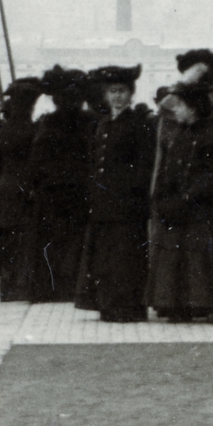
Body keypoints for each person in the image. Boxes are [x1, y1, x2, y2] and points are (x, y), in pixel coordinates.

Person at [76, 64, 155, 322]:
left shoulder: (138, 124)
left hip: (126, 204)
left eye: (122, 91)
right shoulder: (103, 124)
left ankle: (128, 307)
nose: (117, 96)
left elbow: (144, 165)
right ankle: (107, 304)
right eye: (112, 91)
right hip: (102, 204)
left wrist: (128, 192)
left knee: (126, 257)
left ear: (131, 94)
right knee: (105, 257)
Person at [145, 79, 213, 321]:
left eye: (180, 105)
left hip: (198, 209)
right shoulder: (178, 135)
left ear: (193, 108)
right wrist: (162, 198)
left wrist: (188, 197)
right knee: (173, 257)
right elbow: (166, 169)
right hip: (175, 208)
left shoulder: (210, 137)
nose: (176, 110)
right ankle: (173, 304)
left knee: (196, 258)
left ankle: (200, 303)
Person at [22, 66, 92, 301]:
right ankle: (71, 285)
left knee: (55, 242)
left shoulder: (50, 123)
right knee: (73, 241)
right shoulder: (88, 122)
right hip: (75, 191)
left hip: (56, 192)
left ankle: (55, 287)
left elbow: (37, 159)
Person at [0, 76, 43, 300]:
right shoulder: (31, 130)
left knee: (8, 236)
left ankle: (6, 283)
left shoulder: (3, 129)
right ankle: (20, 284)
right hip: (24, 188)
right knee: (24, 238)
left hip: (5, 187)